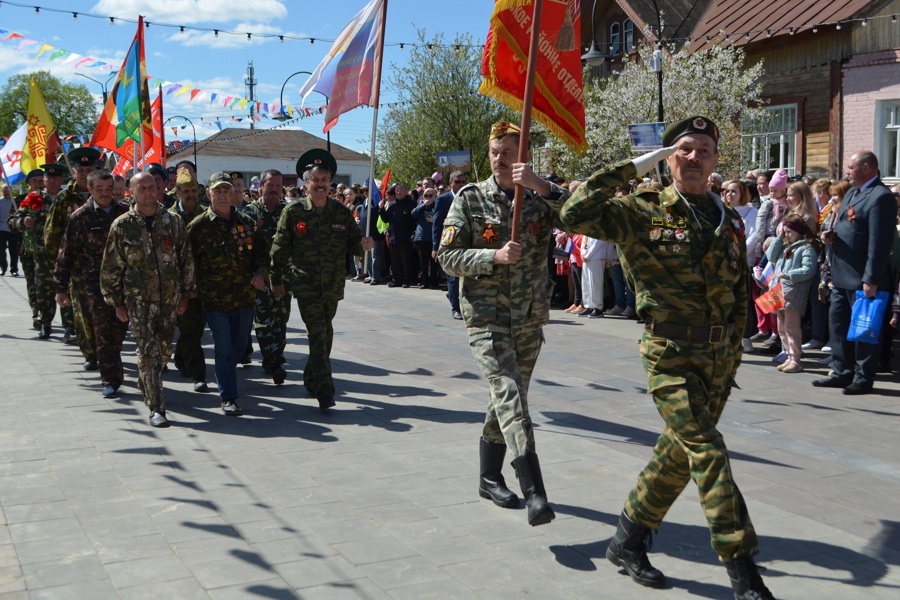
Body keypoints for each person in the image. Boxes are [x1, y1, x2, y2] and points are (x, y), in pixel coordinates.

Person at [560, 116, 773, 599]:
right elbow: (573, 213)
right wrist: (633, 166)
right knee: (708, 450)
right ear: (668, 157)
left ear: (716, 160)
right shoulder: (640, 209)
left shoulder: (727, 217)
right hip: (670, 353)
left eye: (704, 150)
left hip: (719, 356)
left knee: (677, 454)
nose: (694, 157)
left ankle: (628, 540)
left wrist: (736, 347)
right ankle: (744, 574)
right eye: (684, 149)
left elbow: (738, 286)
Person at [438, 121, 570, 527]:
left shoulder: (538, 200)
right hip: (487, 316)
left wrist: (543, 186)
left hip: (529, 315)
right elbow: (447, 256)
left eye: (508, 152)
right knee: (510, 393)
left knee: (509, 399)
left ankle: (488, 476)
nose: (500, 159)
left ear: (523, 154)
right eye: (495, 152)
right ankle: (534, 490)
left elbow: (583, 220)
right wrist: (492, 257)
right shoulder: (470, 198)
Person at [270, 150, 374, 412]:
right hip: (305, 285)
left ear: (330, 183)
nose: (320, 184)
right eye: (314, 179)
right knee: (318, 334)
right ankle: (325, 392)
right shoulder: (293, 213)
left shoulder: (340, 213)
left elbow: (354, 245)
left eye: (324, 179)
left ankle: (310, 378)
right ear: (305, 184)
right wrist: (275, 279)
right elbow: (279, 249)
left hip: (333, 286)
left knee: (325, 335)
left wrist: (365, 245)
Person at [100, 172, 196, 428]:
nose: (148, 192)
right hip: (138, 301)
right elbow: (111, 267)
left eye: (151, 187)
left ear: (160, 189)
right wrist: (116, 302)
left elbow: (185, 260)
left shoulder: (173, 222)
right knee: (148, 352)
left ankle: (147, 380)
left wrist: (186, 294)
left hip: (169, 300)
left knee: (164, 351)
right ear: (131, 192)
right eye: (141, 188)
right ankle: (157, 407)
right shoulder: (122, 225)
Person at [813, 151, 897, 395]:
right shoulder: (852, 192)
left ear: (867, 168)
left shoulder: (881, 197)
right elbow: (849, 225)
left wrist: (871, 278)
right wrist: (832, 235)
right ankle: (842, 371)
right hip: (841, 273)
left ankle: (863, 377)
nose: (846, 172)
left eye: (851, 167)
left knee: (863, 328)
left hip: (863, 277)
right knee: (838, 324)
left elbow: (879, 243)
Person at [188, 172, 268, 416]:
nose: (222, 195)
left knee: (238, 346)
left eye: (226, 191)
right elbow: (187, 262)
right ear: (209, 193)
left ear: (233, 194)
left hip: (243, 298)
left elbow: (262, 255)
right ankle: (229, 397)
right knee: (223, 348)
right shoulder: (197, 226)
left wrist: (261, 274)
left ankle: (226, 377)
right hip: (214, 300)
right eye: (217, 191)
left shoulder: (247, 223)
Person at [55, 170, 129, 398]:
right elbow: (66, 254)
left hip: (126, 285)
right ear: (90, 189)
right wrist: (60, 288)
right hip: (96, 287)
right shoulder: (80, 217)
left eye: (109, 188)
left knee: (121, 334)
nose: (106, 193)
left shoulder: (126, 212)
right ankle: (111, 380)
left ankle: (140, 375)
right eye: (100, 189)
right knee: (104, 335)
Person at [46, 147, 101, 367]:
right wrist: (60, 269)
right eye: (81, 169)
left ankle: (106, 353)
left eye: (89, 169)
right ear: (74, 171)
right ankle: (90, 354)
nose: (85, 173)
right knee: (83, 313)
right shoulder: (63, 199)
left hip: (106, 267)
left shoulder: (104, 194)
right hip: (78, 268)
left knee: (106, 314)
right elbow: (52, 236)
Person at [241, 169, 291, 384]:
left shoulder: (288, 212)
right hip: (260, 276)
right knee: (264, 319)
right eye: (270, 185)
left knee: (281, 318)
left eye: (278, 186)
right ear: (260, 186)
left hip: (284, 276)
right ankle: (273, 361)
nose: (274, 189)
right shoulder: (250, 213)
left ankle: (276, 355)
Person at [169, 170, 209, 392]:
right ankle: (198, 374)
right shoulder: (168, 218)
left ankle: (182, 360)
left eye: (194, 191)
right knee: (190, 328)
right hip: (180, 285)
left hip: (204, 282)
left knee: (194, 328)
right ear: (177, 192)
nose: (191, 195)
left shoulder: (207, 214)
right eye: (186, 191)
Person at [765, 214, 818, 373]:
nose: (786, 234)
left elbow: (808, 270)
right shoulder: (784, 246)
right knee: (781, 327)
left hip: (792, 291)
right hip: (777, 290)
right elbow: (771, 256)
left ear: (798, 231)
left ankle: (796, 358)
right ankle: (788, 355)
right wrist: (779, 238)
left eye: (789, 231)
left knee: (791, 327)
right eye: (784, 231)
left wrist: (790, 275)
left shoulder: (805, 248)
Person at [11, 169, 55, 337]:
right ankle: (38, 314)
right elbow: (11, 222)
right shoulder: (22, 200)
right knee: (34, 285)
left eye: (40, 180)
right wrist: (23, 221)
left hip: (45, 249)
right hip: (27, 249)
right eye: (34, 180)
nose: (38, 183)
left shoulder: (48, 199)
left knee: (46, 284)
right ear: (28, 183)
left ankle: (50, 318)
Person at [723, 180, 759, 353]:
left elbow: (753, 235)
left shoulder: (752, 212)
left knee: (743, 302)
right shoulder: (721, 211)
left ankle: (745, 337)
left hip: (743, 262)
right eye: (728, 191)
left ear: (742, 193)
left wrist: (738, 253)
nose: (730, 194)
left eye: (734, 191)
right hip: (724, 264)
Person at [432, 171, 468, 320]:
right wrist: (435, 247)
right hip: (449, 243)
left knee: (464, 276)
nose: (460, 184)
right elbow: (436, 224)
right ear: (451, 183)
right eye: (458, 182)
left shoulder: (469, 198)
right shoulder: (442, 200)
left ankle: (455, 297)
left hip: (466, 242)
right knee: (452, 276)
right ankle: (456, 308)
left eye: (463, 182)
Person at [380, 183, 417, 287]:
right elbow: (386, 219)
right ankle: (397, 280)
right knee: (395, 260)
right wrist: (381, 209)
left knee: (406, 260)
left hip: (406, 237)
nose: (398, 192)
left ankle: (407, 280)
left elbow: (414, 220)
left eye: (401, 190)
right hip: (393, 237)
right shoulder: (392, 205)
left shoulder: (412, 204)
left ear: (406, 191)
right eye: (396, 190)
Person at [411, 187, 439, 289]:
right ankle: (424, 282)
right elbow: (413, 214)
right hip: (422, 237)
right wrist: (424, 205)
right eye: (426, 195)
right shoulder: (421, 204)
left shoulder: (438, 204)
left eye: (431, 195)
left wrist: (434, 220)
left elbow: (443, 216)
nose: (428, 198)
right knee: (423, 261)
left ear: (435, 196)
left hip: (433, 237)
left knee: (434, 261)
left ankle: (433, 282)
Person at [0, 184, 16, 277]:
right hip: (2, 228)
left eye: (8, 190)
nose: (6, 192)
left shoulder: (15, 201)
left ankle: (14, 269)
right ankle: (3, 267)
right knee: (1, 250)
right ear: (2, 191)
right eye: (4, 190)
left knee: (13, 250)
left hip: (13, 229)